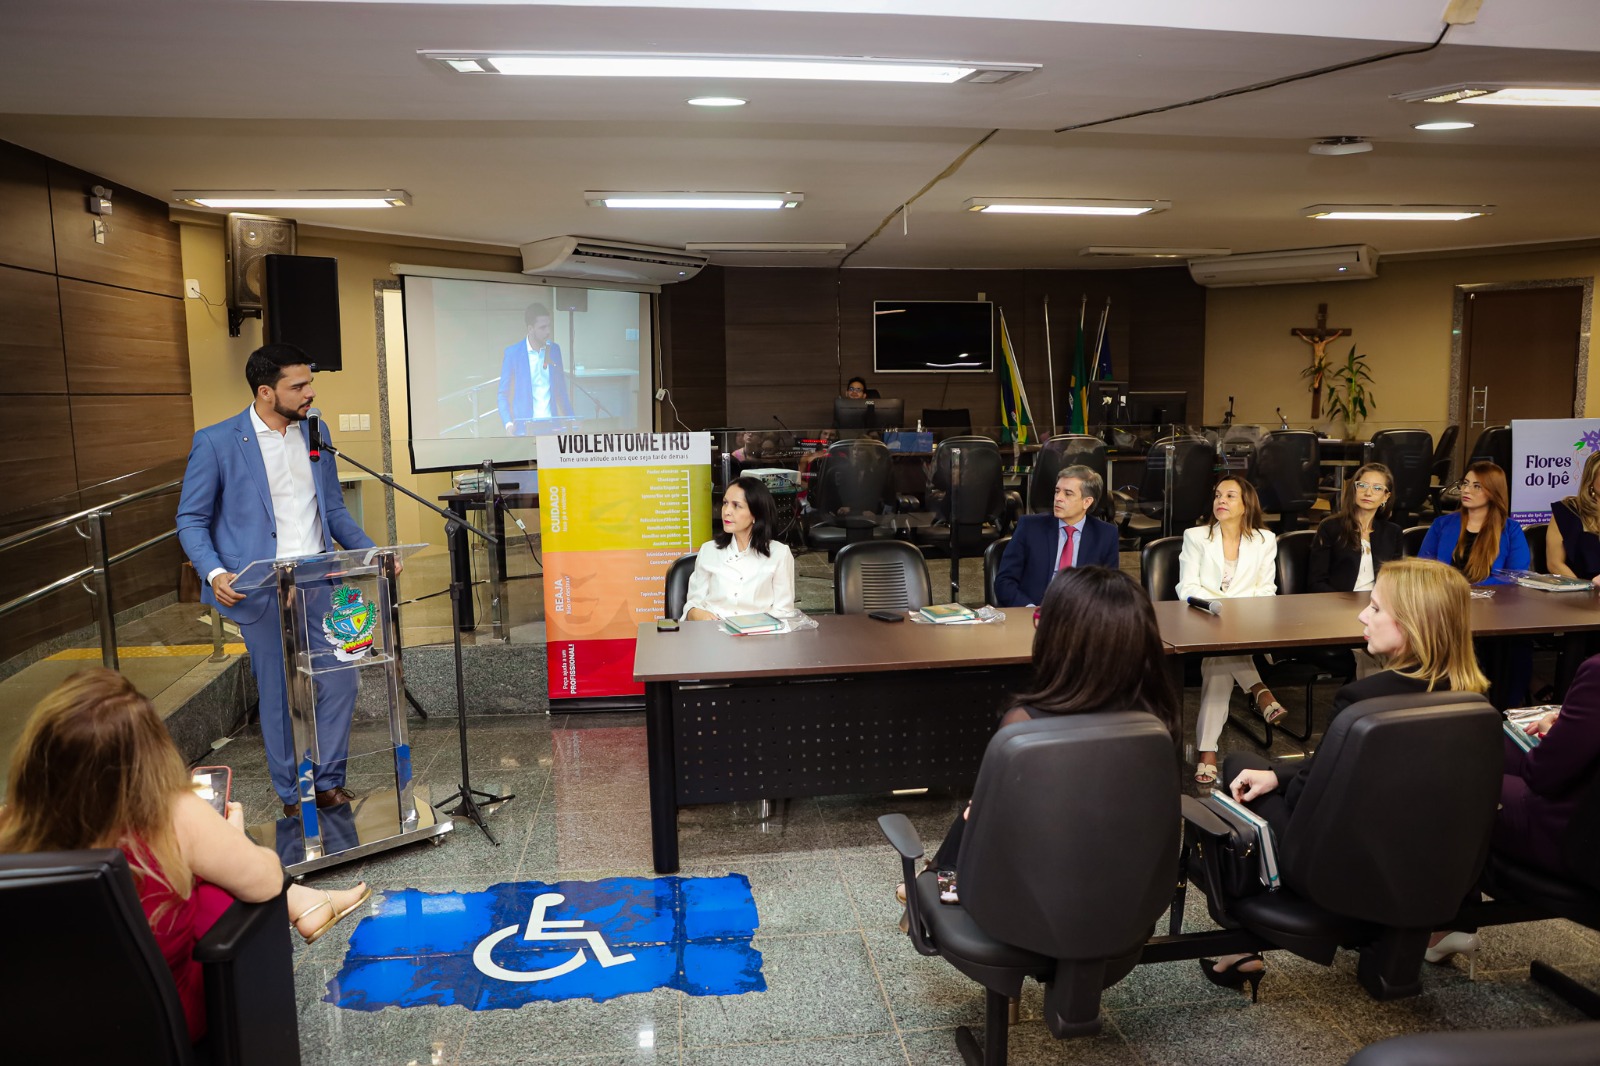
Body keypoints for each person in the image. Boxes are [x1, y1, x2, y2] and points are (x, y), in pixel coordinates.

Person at [0, 669, 370, 1045]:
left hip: (37, 1032)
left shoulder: (11, 825)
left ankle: (304, 901)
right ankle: (301, 901)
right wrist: (231, 838)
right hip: (158, 1023)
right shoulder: (172, 815)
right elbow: (267, 883)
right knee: (214, 884)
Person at [1223, 558, 1491, 978]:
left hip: (1337, 872)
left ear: (1414, 623)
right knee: (1268, 774)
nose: (1363, 615)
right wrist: (1279, 774)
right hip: (1434, 868)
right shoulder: (1474, 698)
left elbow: (1307, 797)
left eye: (1377, 608)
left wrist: (1282, 780)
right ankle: (1437, 933)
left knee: (1238, 766)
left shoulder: (1363, 700)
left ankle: (1239, 947)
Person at [176, 343, 375, 818]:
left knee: (342, 679)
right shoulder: (217, 442)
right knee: (280, 692)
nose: (310, 393)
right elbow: (191, 519)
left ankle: (327, 782)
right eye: (298, 385)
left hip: (319, 581)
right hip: (260, 587)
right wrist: (215, 571)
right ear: (266, 392)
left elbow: (332, 508)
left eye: (310, 383)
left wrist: (370, 552)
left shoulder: (315, 431)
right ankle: (294, 793)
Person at [921, 566, 1180, 883]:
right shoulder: (1159, 719)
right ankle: (933, 876)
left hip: (1032, 892)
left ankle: (935, 879)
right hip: (1131, 891)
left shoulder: (1025, 728)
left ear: (1061, 640)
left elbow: (1003, 835)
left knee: (975, 812)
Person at [1178, 477, 1281, 785]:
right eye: (1218, 495)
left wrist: (1238, 614)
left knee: (1218, 664)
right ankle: (1258, 688)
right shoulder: (1196, 536)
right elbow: (1187, 587)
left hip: (1248, 624)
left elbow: (1267, 589)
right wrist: (1222, 610)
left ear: (1246, 504)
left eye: (1230, 496)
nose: (1221, 500)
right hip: (1203, 618)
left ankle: (1207, 751)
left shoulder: (1265, 540)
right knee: (1220, 653)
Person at [1497, 652, 1600, 878]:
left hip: (1578, 837)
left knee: (1464, 783)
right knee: (1496, 746)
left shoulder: (1596, 672)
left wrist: (1549, 734)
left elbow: (1541, 777)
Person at [1309, 463, 1406, 680]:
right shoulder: (1330, 527)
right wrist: (1348, 605)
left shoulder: (1393, 532)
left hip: (1379, 610)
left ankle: (1364, 692)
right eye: (1362, 485)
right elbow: (1316, 581)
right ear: (1354, 489)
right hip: (1338, 610)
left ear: (1386, 497)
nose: (1368, 492)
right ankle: (1376, 692)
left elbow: (1395, 582)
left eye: (1377, 488)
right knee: (1376, 651)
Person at [992, 465, 1120, 607]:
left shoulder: (1106, 535)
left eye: (1068, 494)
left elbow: (1110, 589)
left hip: (1081, 613)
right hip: (1033, 612)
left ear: (1087, 502)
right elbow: (1004, 582)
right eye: (1057, 491)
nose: (1058, 498)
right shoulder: (1029, 527)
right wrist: (1031, 609)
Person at [681, 476, 796, 622]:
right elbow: (693, 603)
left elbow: (784, 612)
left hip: (760, 633)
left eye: (736, 505)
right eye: (725, 503)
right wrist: (694, 613)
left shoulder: (779, 554)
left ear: (755, 513)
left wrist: (750, 626)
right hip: (713, 631)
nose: (726, 511)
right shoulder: (708, 550)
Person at [1417, 461, 1530, 584]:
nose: (1466, 490)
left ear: (1493, 492)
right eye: (1465, 483)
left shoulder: (1511, 529)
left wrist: (1473, 588)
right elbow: (1423, 568)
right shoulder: (1441, 524)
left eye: (1477, 486)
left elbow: (1515, 575)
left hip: (1493, 595)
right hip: (1447, 593)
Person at [497, 301, 574, 434]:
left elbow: (561, 391)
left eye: (549, 326)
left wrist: (572, 419)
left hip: (552, 427)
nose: (548, 331)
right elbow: (503, 394)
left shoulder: (554, 350)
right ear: (530, 329)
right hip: (525, 429)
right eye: (542, 328)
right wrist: (508, 423)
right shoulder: (513, 353)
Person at [1547, 449, 1600, 583]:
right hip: (1581, 588)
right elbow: (1555, 563)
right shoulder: (1567, 511)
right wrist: (1584, 589)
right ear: (1591, 479)